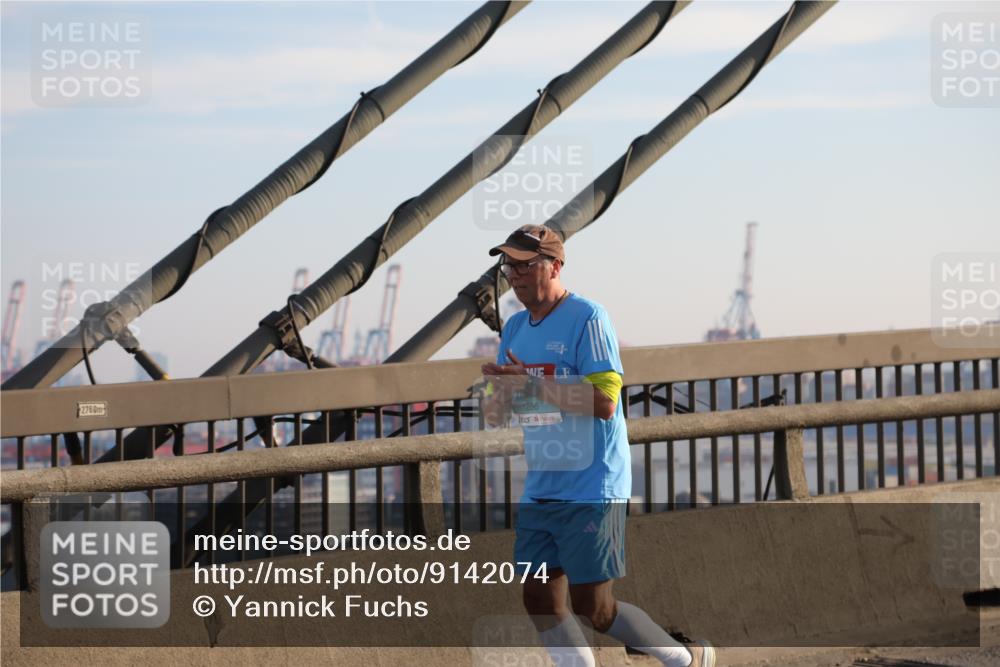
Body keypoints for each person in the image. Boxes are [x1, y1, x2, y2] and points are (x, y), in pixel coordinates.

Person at [480, 225, 716, 667]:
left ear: (555, 265)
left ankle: (685, 659)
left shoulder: (589, 318)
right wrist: (496, 395)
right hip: (543, 484)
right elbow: (503, 413)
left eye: (524, 264)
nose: (513, 274)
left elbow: (605, 403)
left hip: (593, 483)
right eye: (508, 265)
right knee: (539, 599)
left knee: (594, 607)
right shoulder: (512, 328)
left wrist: (530, 384)